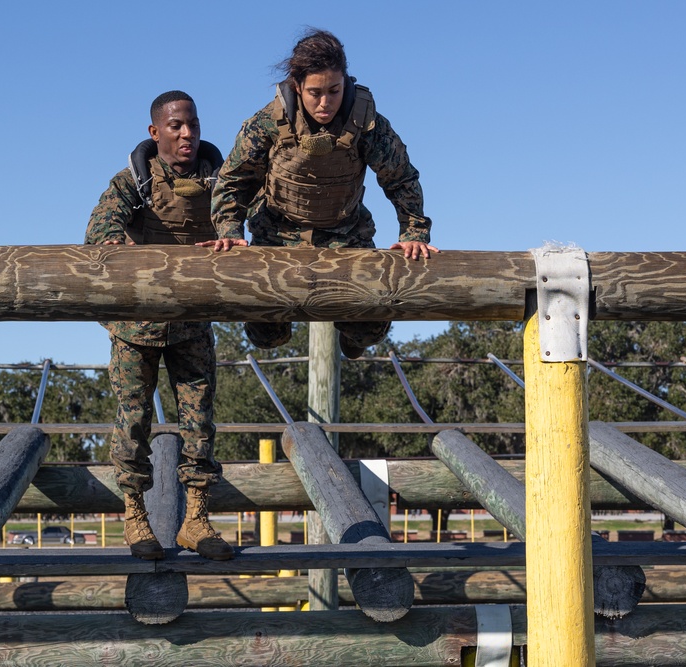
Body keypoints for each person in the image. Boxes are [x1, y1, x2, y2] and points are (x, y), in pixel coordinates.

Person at [202, 29, 438, 359]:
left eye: (334, 90)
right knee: (266, 336)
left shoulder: (367, 123)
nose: (325, 102)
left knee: (370, 326)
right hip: (277, 234)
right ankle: (274, 329)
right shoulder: (267, 123)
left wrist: (414, 232)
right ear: (297, 87)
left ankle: (352, 337)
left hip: (345, 234)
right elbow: (232, 181)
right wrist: (229, 231)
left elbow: (400, 179)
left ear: (345, 83)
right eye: (315, 92)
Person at [85, 90, 233, 561]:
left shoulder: (222, 180)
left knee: (200, 423)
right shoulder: (133, 180)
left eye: (192, 124)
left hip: (192, 321)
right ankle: (135, 516)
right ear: (155, 132)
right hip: (136, 327)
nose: (186, 133)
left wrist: (236, 238)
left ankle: (197, 519)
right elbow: (98, 233)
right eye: (175, 126)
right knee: (133, 423)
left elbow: (252, 219)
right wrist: (128, 251)